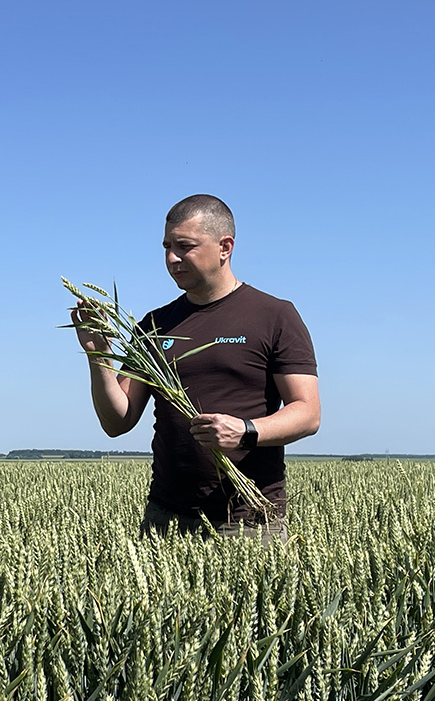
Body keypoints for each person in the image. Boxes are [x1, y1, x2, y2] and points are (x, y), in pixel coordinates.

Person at [71, 194, 320, 541]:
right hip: (165, 520)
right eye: (166, 247)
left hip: (247, 523)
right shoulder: (155, 324)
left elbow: (308, 414)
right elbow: (118, 421)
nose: (172, 258)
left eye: (184, 246)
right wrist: (99, 357)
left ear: (225, 247)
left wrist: (245, 431)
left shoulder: (275, 316)